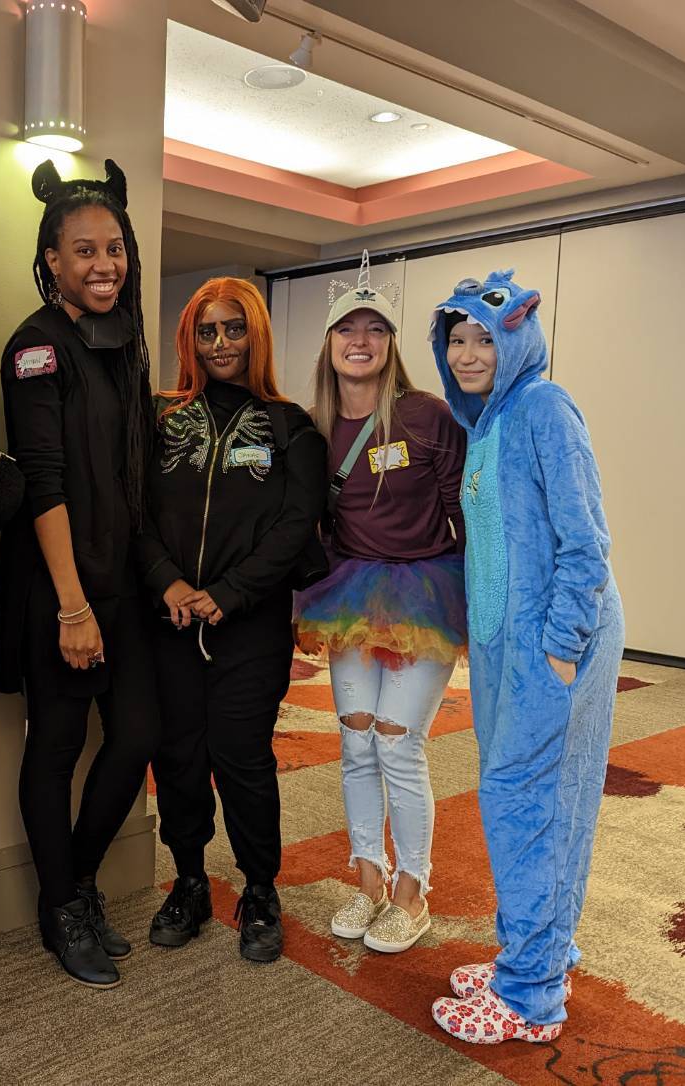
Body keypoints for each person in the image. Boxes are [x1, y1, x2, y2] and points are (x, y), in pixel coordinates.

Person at [428, 269, 624, 1044]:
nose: (469, 354)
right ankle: (543, 954)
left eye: (485, 339)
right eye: (457, 340)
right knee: (546, 795)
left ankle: (529, 996)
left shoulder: (544, 406)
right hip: (511, 644)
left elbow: (586, 539)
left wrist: (561, 648)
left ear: (519, 341)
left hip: (556, 639)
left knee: (524, 798)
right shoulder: (487, 421)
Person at [0, 158, 159, 990]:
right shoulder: (35, 348)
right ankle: (59, 907)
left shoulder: (125, 340)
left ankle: (79, 881)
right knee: (56, 747)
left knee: (136, 737)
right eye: (84, 250)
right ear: (52, 260)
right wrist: (71, 607)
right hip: (60, 588)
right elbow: (44, 481)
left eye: (114, 248)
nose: (104, 264)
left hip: (124, 583)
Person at [139, 277, 326, 963]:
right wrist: (167, 580)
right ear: (189, 338)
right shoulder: (160, 418)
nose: (220, 343)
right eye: (207, 330)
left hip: (249, 626)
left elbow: (295, 525)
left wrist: (229, 592)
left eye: (234, 328)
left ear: (257, 336)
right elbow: (132, 510)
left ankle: (260, 890)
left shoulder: (289, 427)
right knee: (178, 758)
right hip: (168, 622)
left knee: (242, 758)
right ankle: (189, 882)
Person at [292, 257, 469, 957]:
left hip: (425, 594)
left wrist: (487, 604)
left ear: (391, 343)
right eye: (347, 329)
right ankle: (368, 880)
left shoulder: (427, 415)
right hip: (348, 596)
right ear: (330, 343)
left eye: (375, 329)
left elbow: (465, 513)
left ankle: (412, 894)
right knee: (356, 740)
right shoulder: (313, 425)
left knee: (398, 743)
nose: (360, 341)